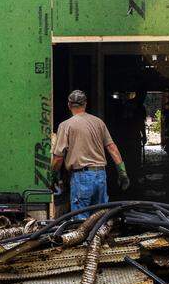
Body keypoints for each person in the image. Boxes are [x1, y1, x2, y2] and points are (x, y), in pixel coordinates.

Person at [51, 90, 129, 218]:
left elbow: (58, 157)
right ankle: (97, 238)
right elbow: (112, 148)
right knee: (98, 219)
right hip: (100, 176)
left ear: (69, 105)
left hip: (81, 178)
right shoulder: (99, 123)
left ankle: (86, 239)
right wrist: (122, 172)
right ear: (85, 104)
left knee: (81, 223)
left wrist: (53, 176)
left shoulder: (66, 125)